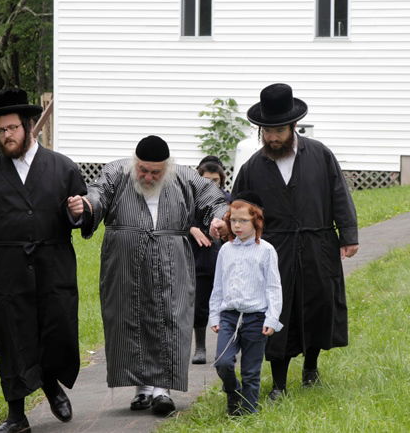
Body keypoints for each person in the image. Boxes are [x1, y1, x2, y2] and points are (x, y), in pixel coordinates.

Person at [215, 83, 359, 399]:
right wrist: (227, 227)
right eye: (266, 130)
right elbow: (238, 207)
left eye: (278, 130)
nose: (272, 137)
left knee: (317, 307)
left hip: (316, 245)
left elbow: (339, 195)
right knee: (277, 313)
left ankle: (311, 366)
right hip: (274, 250)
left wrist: (348, 235)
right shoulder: (253, 166)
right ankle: (279, 383)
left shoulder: (320, 155)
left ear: (293, 126)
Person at [0, 88, 87, 433]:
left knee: (54, 331)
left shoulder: (62, 168)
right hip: (4, 271)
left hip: (53, 264)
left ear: (29, 126)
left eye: (12, 128)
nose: (6, 136)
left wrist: (80, 213)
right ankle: (17, 415)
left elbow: (84, 215)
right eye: (1, 131)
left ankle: (51, 383)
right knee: (11, 340)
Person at [73, 135, 228, 415]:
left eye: (155, 172)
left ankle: (162, 390)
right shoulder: (116, 172)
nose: (147, 176)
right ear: (135, 163)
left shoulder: (183, 177)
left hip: (172, 259)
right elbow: (96, 195)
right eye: (142, 170)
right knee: (130, 317)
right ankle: (142, 388)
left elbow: (214, 200)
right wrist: (85, 206)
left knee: (170, 316)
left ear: (166, 169)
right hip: (124, 262)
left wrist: (219, 218)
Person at [209, 192, 282, 416]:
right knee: (222, 362)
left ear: (256, 221)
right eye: (233, 220)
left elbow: (273, 287)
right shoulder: (225, 250)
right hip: (229, 317)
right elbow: (218, 286)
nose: (237, 225)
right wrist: (214, 315)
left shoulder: (266, 251)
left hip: (256, 318)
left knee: (251, 371)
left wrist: (272, 318)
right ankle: (233, 393)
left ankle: (248, 414)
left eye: (243, 221)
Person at [190, 156, 231, 364]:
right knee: (199, 305)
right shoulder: (190, 201)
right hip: (199, 259)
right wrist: (192, 228)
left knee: (228, 305)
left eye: (215, 180)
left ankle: (229, 346)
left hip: (225, 260)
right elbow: (178, 220)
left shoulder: (227, 200)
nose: (211, 183)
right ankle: (199, 347)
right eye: (207, 179)